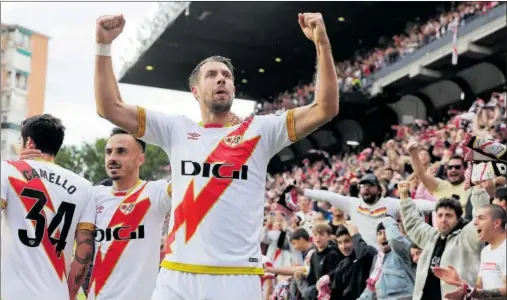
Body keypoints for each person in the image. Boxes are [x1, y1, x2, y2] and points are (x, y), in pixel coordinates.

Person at [94, 11, 340, 300]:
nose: (221, 79)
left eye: (226, 76)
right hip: (177, 275)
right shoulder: (176, 130)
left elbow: (325, 108)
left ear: (234, 88)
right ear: (195, 91)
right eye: (212, 75)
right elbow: (109, 106)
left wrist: (322, 43)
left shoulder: (261, 130)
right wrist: (103, 46)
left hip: (237, 277)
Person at [21, 128, 173, 300]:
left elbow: (189, 182)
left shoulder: (154, 193)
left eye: (121, 151)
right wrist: (32, 166)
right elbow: (51, 195)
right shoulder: (92, 195)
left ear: (140, 159)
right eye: (109, 152)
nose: (113, 158)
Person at [1, 114, 96, 300]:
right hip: (56, 294)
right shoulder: (84, 187)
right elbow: (85, 248)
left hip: (11, 292)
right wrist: (70, 293)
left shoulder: (7, 170)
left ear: (29, 143)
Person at [396, 181, 489, 300]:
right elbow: (413, 223)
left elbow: (481, 220)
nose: (443, 219)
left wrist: (478, 190)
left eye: (448, 215)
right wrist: (404, 197)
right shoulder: (432, 237)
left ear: (458, 218)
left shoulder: (466, 237)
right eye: (440, 215)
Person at [294, 174, 436, 247]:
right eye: (362, 186)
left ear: (379, 189)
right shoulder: (353, 204)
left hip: (386, 255)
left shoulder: (390, 204)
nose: (366, 188)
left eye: (370, 185)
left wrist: (438, 205)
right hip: (362, 255)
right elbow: (328, 196)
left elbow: (416, 204)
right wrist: (303, 191)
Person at [432, 204, 506, 299]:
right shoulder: (485, 251)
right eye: (475, 218)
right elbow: (479, 287)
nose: (475, 223)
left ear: (496, 223)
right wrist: (460, 283)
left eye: (481, 218)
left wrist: (472, 292)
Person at [359, 217, 415, 300]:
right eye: (379, 234)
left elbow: (394, 240)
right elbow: (370, 291)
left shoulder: (403, 251)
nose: (383, 237)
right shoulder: (377, 260)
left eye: (386, 232)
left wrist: (388, 219)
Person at [329, 222, 377, 300]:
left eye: (347, 241)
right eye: (340, 243)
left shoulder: (369, 252)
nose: (343, 247)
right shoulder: (342, 265)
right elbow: (335, 293)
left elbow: (363, 255)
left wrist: (355, 234)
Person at [294, 223, 341, 300]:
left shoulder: (332, 254)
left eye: (321, 234)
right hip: (316, 290)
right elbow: (312, 278)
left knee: (307, 293)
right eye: (315, 235)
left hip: (327, 293)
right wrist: (303, 275)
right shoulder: (314, 255)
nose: (318, 237)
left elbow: (333, 279)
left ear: (328, 237)